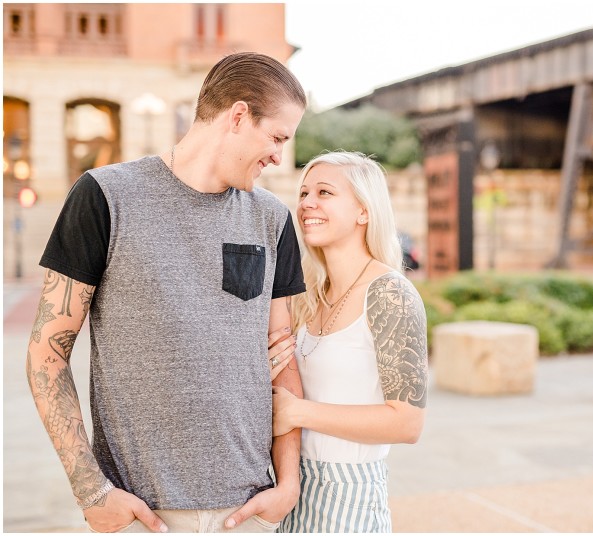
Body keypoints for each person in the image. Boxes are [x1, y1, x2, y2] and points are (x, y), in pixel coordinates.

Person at [26, 52, 307, 533]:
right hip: (141, 514)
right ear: (238, 116)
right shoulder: (104, 196)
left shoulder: (273, 219)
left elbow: (282, 361)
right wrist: (90, 489)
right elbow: (46, 355)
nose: (280, 156)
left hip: (249, 513)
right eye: (277, 137)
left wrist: (288, 483)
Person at [268, 151, 429, 533]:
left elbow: (408, 423)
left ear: (363, 211)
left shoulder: (391, 294)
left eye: (325, 193)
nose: (307, 203)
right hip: (289, 488)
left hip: (349, 497)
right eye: (305, 193)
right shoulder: (308, 294)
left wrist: (297, 412)